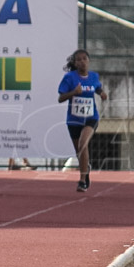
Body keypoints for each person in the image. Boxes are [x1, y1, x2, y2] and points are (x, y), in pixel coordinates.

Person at [57, 49, 107, 191]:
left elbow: (97, 88)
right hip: (74, 120)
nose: (82, 62)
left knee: (83, 144)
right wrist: (73, 92)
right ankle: (86, 168)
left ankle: (82, 180)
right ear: (75, 63)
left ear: (88, 61)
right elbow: (60, 98)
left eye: (84, 58)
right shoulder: (69, 78)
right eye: (78, 59)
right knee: (79, 152)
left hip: (91, 117)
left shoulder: (93, 76)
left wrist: (101, 93)